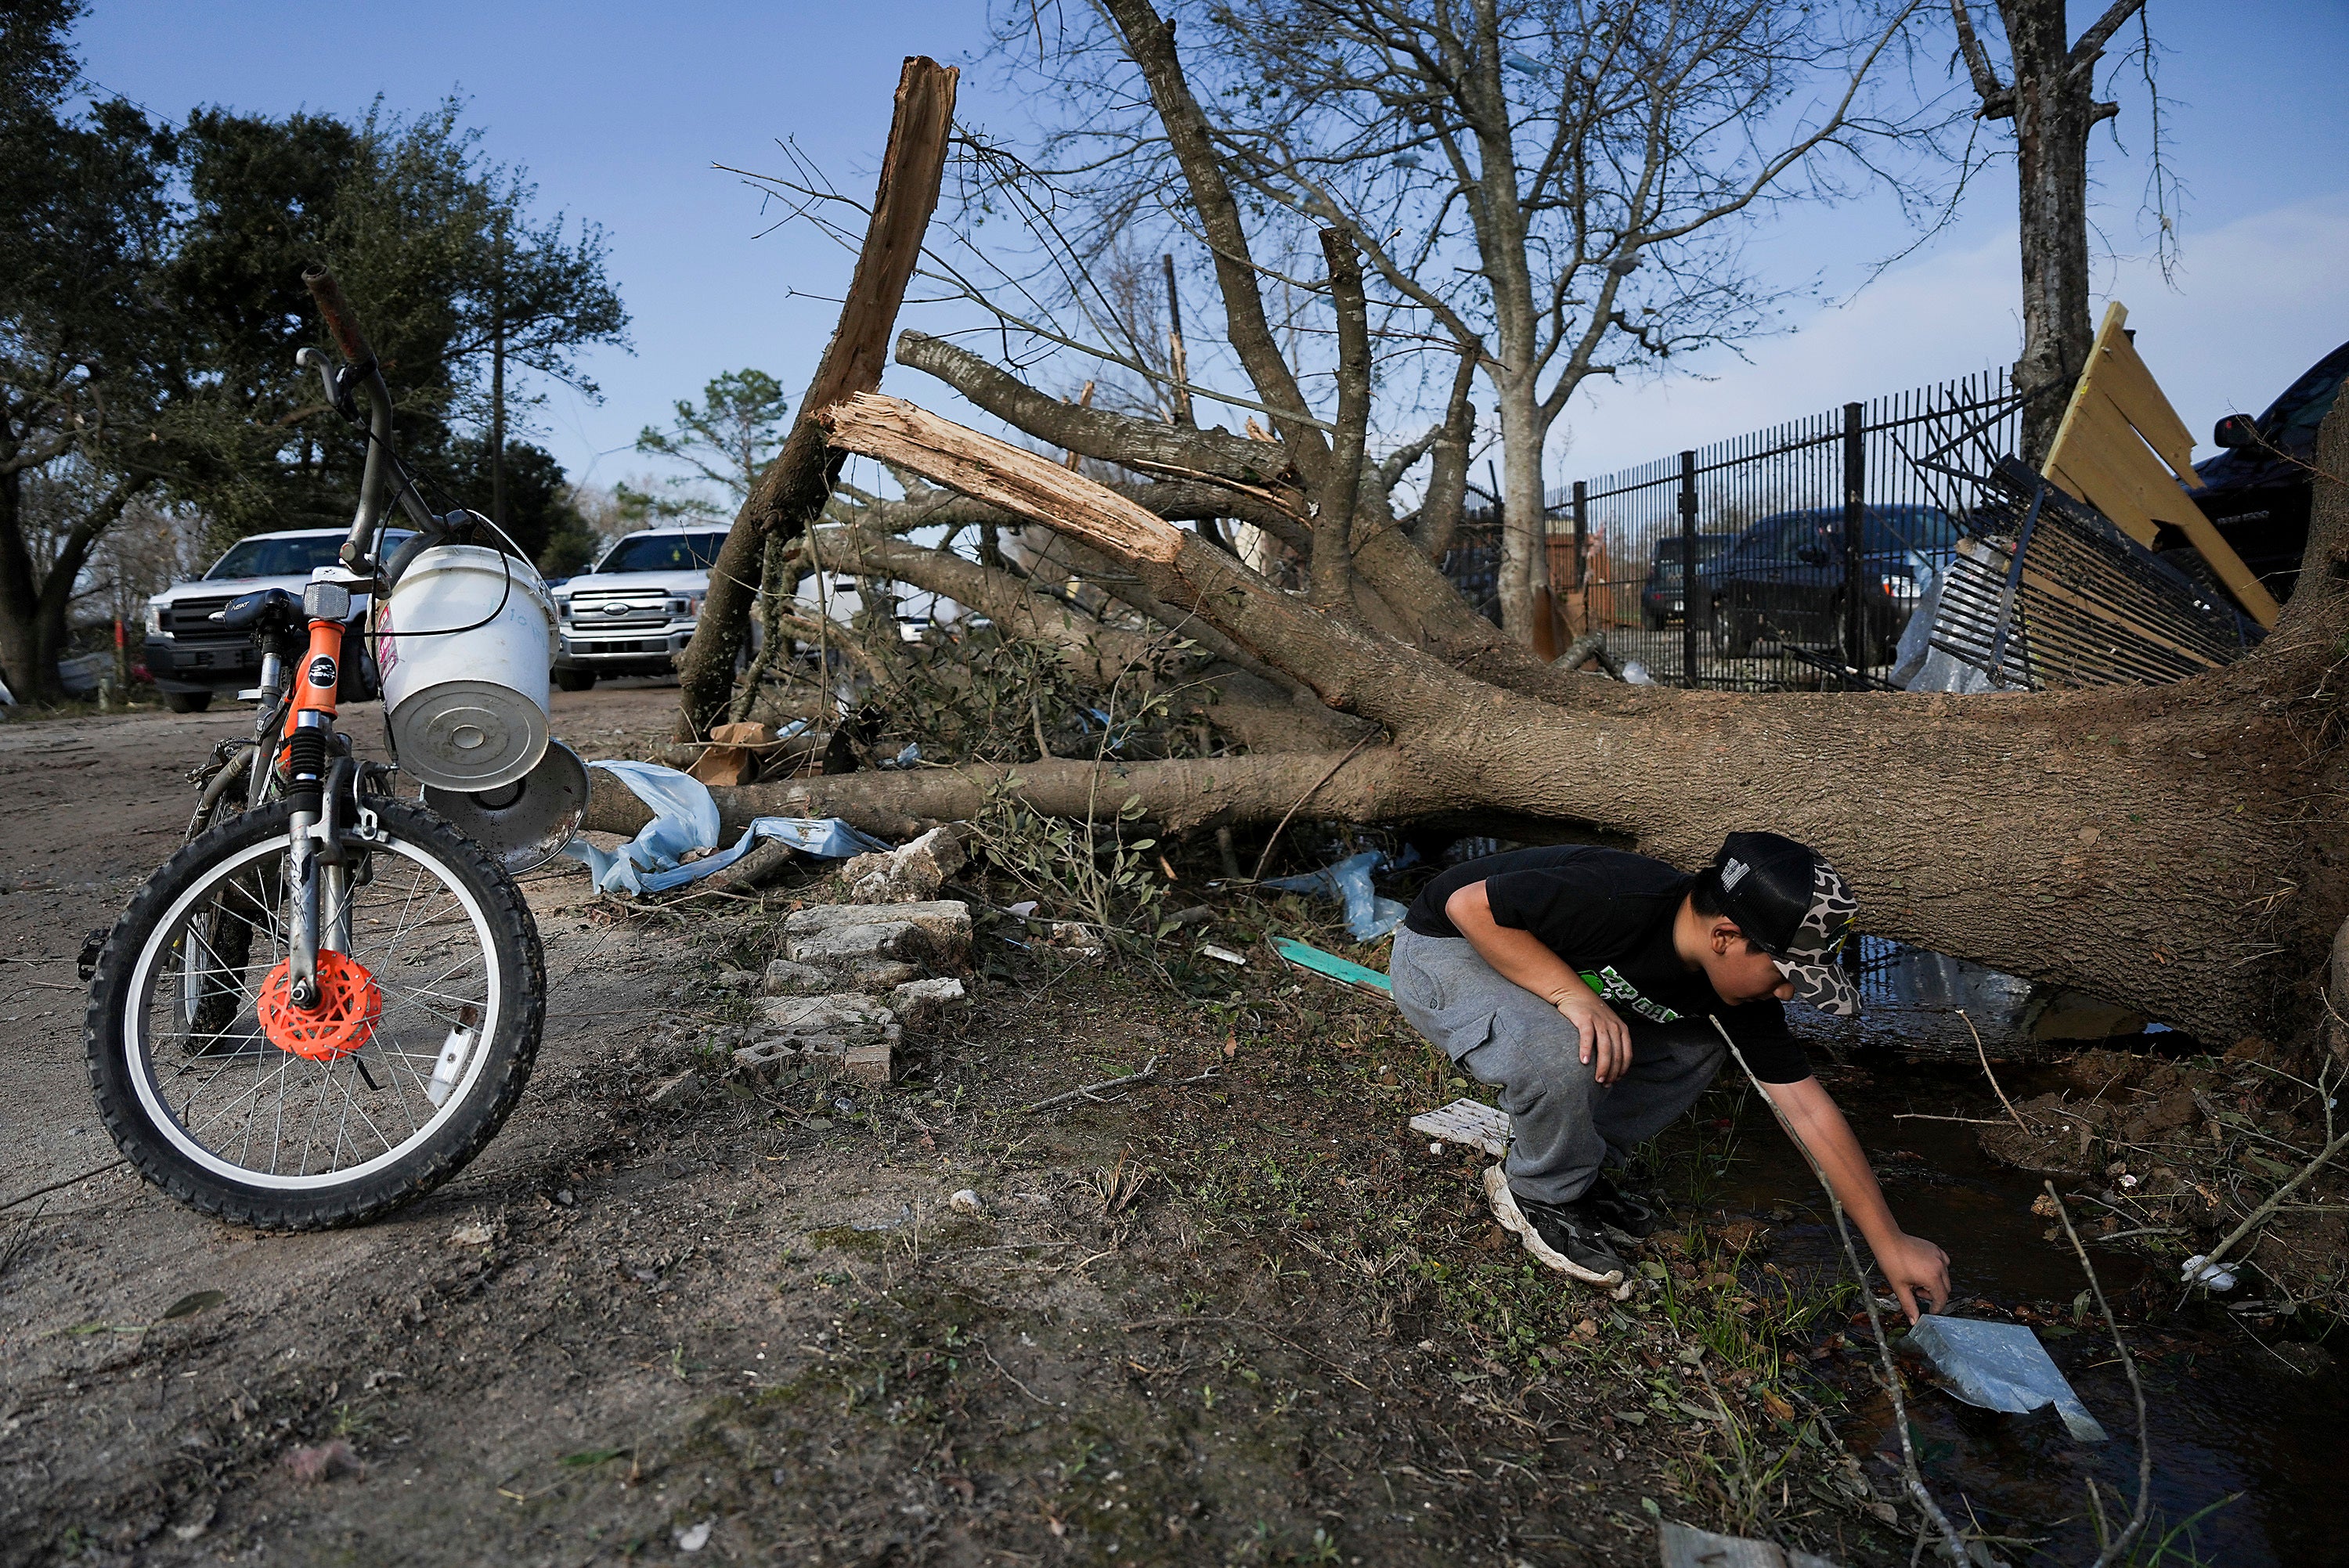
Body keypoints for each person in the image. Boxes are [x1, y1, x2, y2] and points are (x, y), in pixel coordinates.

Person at [1388, 831, 1950, 1321]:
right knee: (1564, 1048)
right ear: (1726, 936)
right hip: (1446, 950)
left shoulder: (1732, 989)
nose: (1787, 992)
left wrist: (1890, 1240)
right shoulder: (1620, 897)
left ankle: (1580, 1169)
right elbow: (1468, 906)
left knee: (1699, 1041)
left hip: (1521, 962)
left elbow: (1806, 1108)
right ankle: (1538, 1194)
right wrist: (1572, 997)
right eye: (1785, 973)